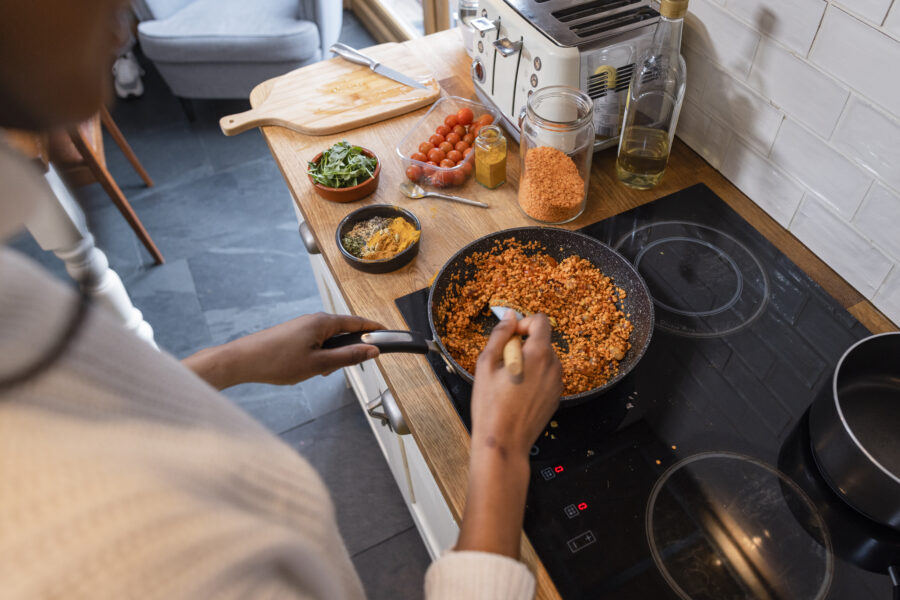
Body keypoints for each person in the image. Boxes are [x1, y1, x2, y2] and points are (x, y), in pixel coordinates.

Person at [0, 1, 564, 598]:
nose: (123, 25)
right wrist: (500, 452)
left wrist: (230, 362)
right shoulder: (123, 557)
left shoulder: (20, 292)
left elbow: (87, 414)